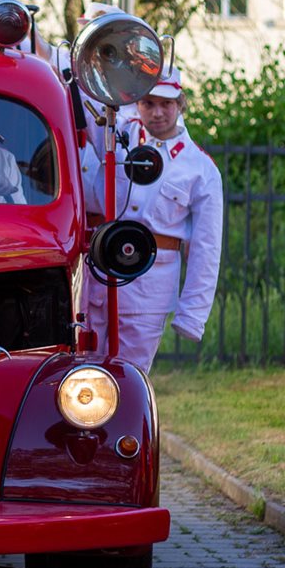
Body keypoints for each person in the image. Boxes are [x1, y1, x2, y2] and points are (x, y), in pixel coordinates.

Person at [81, 67, 223, 372]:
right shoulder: (116, 134)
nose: (157, 113)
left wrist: (192, 315)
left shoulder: (200, 168)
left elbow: (207, 248)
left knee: (129, 376)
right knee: (84, 375)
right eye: (149, 103)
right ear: (137, 104)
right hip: (98, 280)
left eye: (166, 103)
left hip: (148, 292)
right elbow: (81, 86)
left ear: (181, 104)